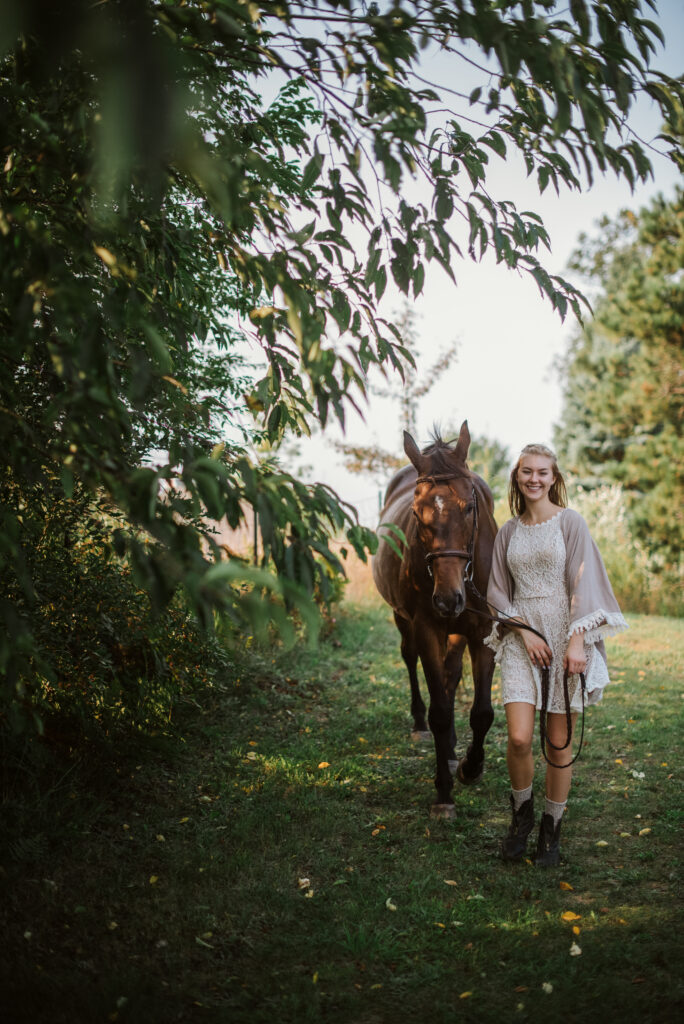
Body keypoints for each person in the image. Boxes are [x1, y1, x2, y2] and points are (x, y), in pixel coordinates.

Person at [485, 444, 627, 866]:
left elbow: (584, 582)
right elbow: (496, 588)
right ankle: (521, 817)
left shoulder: (571, 523)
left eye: (542, 472)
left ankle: (552, 828)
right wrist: (522, 630)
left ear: (553, 477)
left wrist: (577, 641)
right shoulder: (507, 531)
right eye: (527, 471)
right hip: (520, 639)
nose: (534, 479)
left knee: (558, 743)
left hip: (564, 635)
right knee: (518, 737)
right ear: (516, 476)